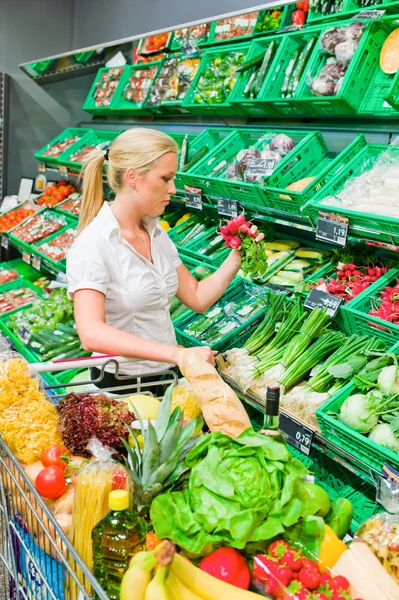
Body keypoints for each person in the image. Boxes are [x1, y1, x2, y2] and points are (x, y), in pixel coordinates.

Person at [66, 128, 263, 394]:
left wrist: (237, 254)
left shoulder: (156, 234)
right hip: (122, 386)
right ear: (133, 177)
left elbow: (196, 297)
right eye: (165, 178)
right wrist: (177, 354)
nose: (173, 188)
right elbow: (91, 334)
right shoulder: (94, 244)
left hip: (167, 378)